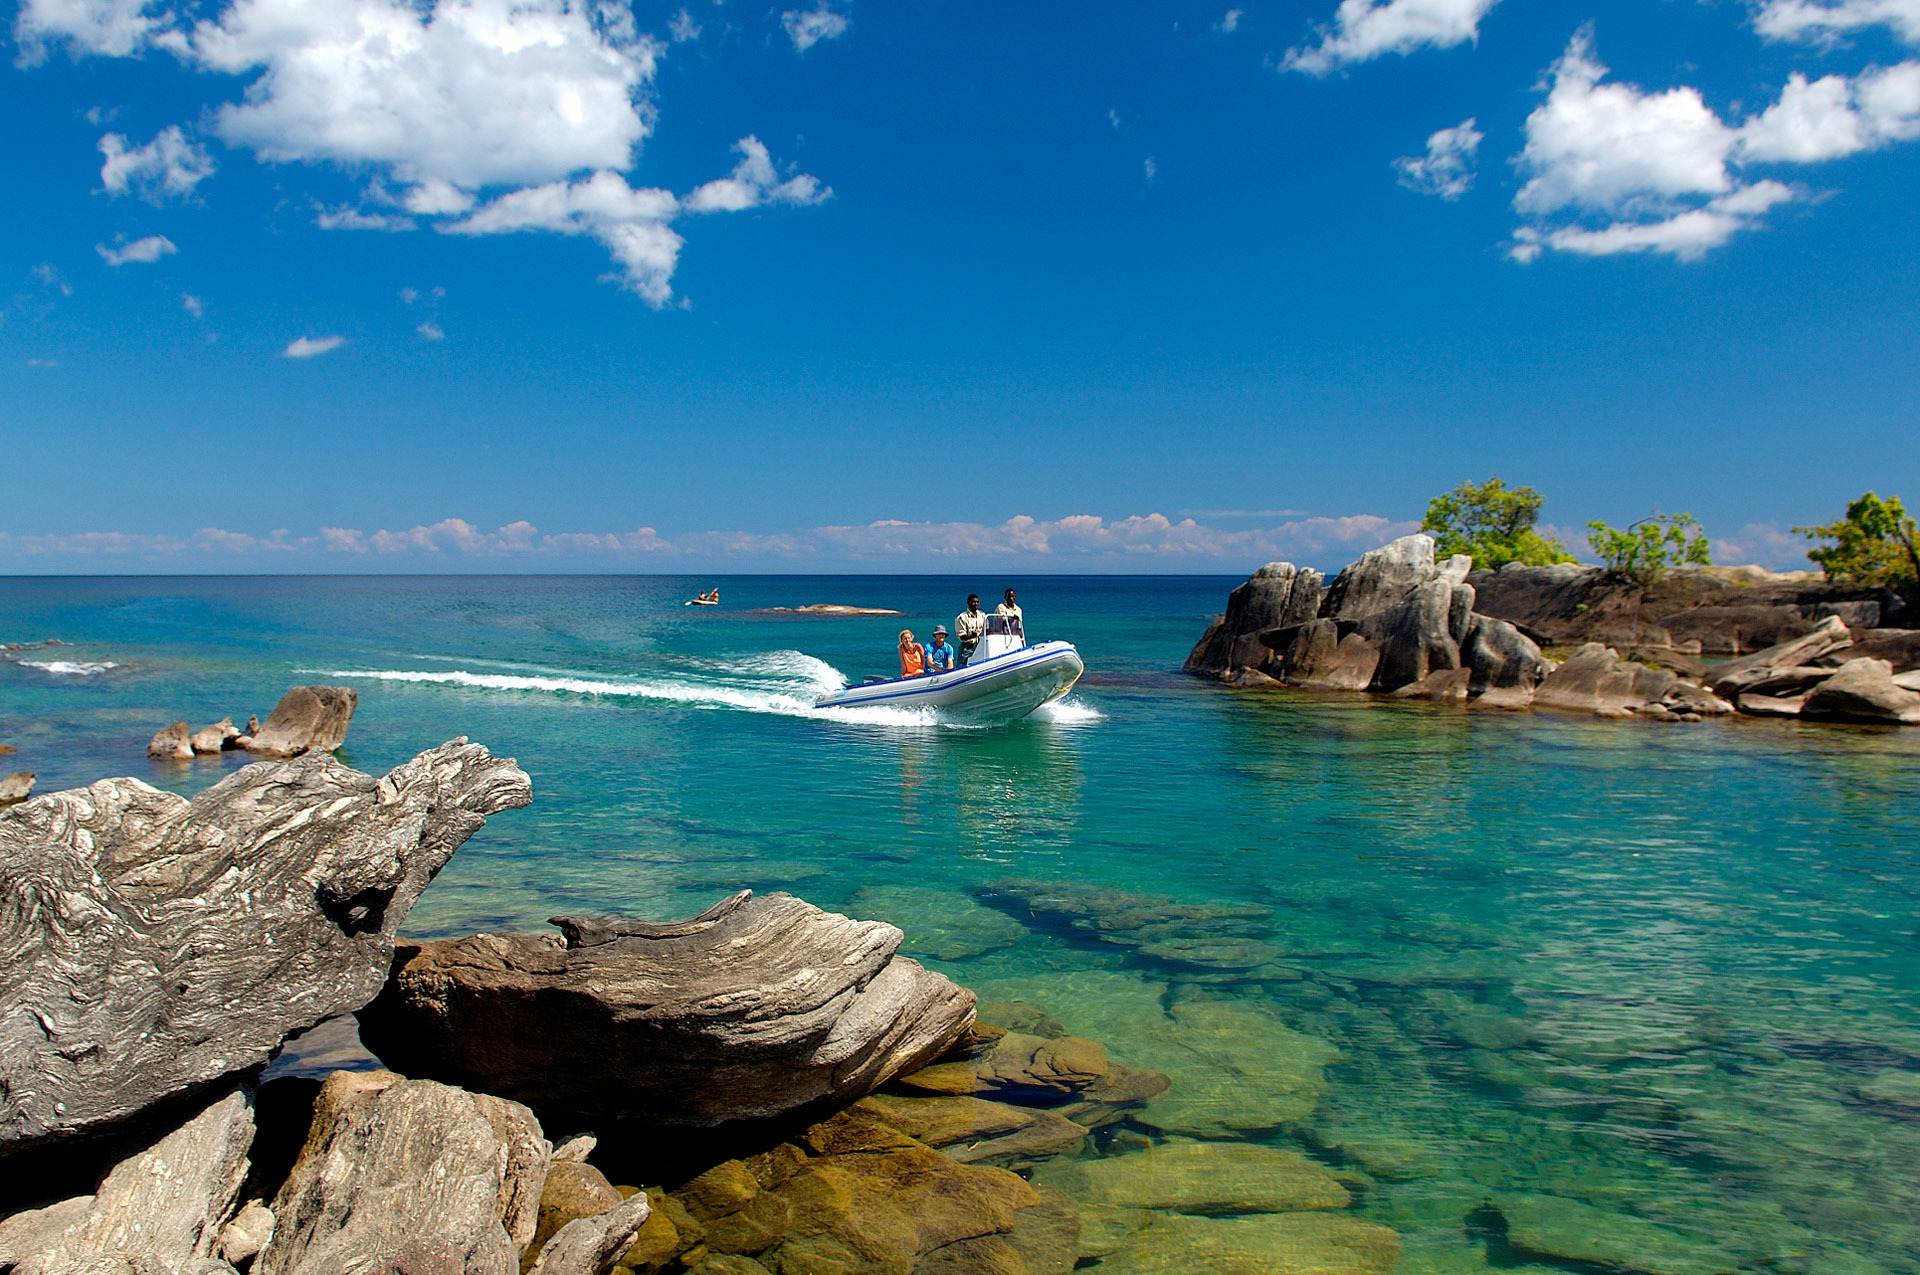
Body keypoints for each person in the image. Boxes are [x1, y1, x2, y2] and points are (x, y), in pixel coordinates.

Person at [954, 595, 986, 666]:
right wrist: (972, 635)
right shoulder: (962, 618)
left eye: (977, 602)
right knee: (962, 667)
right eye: (973, 602)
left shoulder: (983, 616)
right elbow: (961, 636)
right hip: (968, 648)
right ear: (968, 603)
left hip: (981, 646)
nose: (976, 604)